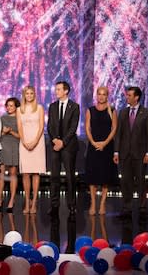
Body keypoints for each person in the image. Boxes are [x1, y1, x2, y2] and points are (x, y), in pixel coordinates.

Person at [113, 86, 148, 219]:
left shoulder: (146, 113)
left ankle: (142, 209)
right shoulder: (123, 112)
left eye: (129, 95)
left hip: (140, 154)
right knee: (126, 182)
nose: (127, 97)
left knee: (141, 182)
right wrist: (116, 152)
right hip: (125, 154)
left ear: (136, 97)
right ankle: (127, 208)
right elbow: (118, 134)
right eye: (127, 95)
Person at [47, 81, 80, 215]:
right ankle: (54, 205)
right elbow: (49, 126)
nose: (56, 91)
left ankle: (72, 205)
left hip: (68, 146)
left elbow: (73, 127)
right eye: (56, 89)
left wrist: (63, 142)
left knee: (70, 177)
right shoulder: (53, 106)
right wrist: (55, 140)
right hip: (55, 145)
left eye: (59, 89)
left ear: (66, 91)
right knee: (54, 176)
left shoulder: (74, 106)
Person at [84, 86, 118, 215]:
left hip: (107, 146)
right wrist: (93, 142)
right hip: (94, 146)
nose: (101, 96)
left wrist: (104, 143)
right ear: (96, 95)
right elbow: (87, 127)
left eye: (104, 94)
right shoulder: (90, 110)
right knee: (92, 176)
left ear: (107, 95)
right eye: (99, 94)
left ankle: (102, 204)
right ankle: (93, 203)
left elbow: (114, 128)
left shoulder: (112, 110)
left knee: (105, 176)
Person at [18, 86, 46, 214]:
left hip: (38, 142)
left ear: (34, 95)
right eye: (27, 93)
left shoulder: (39, 108)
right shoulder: (19, 109)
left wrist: (35, 142)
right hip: (24, 142)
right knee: (25, 174)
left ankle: (34, 203)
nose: (29, 95)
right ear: (24, 95)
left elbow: (41, 126)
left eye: (31, 93)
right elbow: (20, 127)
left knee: (35, 173)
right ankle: (27, 202)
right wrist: (24, 142)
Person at [0, 97, 20, 213]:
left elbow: (21, 136)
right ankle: (0, 198)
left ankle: (12, 199)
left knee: (13, 174)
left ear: (16, 107)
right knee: (1, 173)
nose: (9, 108)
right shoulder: (2, 118)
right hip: (3, 146)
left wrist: (10, 131)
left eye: (12, 105)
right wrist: (3, 132)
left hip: (14, 147)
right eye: (8, 105)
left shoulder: (19, 118)